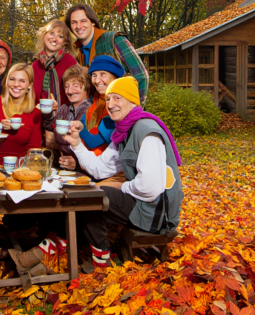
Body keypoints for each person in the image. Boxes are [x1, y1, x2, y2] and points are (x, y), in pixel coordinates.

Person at [11, 76, 183, 273]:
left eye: (117, 98)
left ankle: (74, 255)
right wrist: (76, 144)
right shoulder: (124, 131)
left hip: (156, 211)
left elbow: (150, 188)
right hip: (144, 201)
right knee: (86, 195)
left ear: (132, 101)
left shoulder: (146, 131)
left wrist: (119, 186)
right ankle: (56, 250)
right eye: (108, 99)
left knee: (92, 197)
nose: (110, 104)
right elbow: (99, 168)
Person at [64, 4, 148, 104]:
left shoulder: (113, 39)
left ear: (93, 22)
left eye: (83, 21)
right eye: (74, 22)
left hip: (122, 111)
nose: (78, 26)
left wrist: (133, 110)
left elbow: (141, 75)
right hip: (95, 113)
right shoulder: (75, 52)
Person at [0, 63, 42, 164]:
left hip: (20, 168)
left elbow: (34, 150)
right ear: (7, 81)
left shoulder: (36, 113)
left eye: (22, 81)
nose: (16, 84)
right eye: (12, 79)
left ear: (29, 85)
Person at [31, 20, 78, 131]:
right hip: (38, 122)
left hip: (63, 122)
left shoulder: (69, 62)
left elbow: (76, 92)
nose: (55, 38)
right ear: (44, 35)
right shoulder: (35, 66)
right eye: (51, 33)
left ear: (65, 42)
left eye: (60, 36)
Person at [48, 65, 93, 170]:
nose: (69, 91)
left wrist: (78, 163)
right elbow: (53, 136)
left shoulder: (93, 110)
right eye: (67, 86)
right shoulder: (64, 109)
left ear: (87, 86)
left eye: (75, 85)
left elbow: (97, 150)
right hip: (63, 168)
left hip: (87, 170)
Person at [75, 56, 120, 159]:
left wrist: (79, 128)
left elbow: (93, 143)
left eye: (103, 74)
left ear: (114, 77)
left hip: (108, 168)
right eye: (94, 75)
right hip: (89, 164)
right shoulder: (95, 102)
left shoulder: (118, 107)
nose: (97, 80)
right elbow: (82, 122)